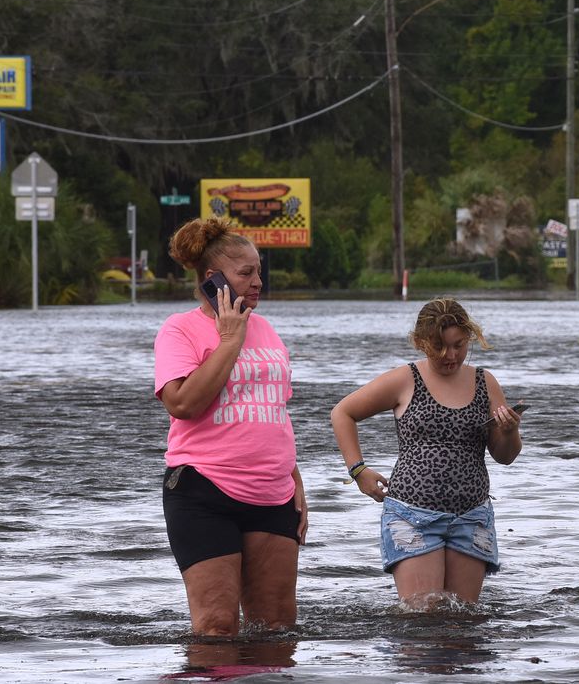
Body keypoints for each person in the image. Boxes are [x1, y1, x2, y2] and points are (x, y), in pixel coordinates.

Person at [153, 217, 307, 636]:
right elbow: (182, 403)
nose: (258, 281)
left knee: (277, 627)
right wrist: (228, 342)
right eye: (246, 273)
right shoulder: (179, 330)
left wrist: (295, 481)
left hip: (272, 493)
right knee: (217, 628)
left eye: (259, 270)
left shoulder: (267, 329)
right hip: (204, 491)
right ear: (213, 278)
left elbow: (275, 410)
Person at [330, 298, 522, 609]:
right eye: (440, 346)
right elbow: (343, 413)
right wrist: (358, 470)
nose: (451, 355)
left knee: (464, 623)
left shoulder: (485, 382)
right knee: (423, 620)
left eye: (459, 345)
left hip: (471, 517)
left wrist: (510, 431)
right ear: (420, 342)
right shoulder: (405, 379)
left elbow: (505, 456)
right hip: (412, 515)